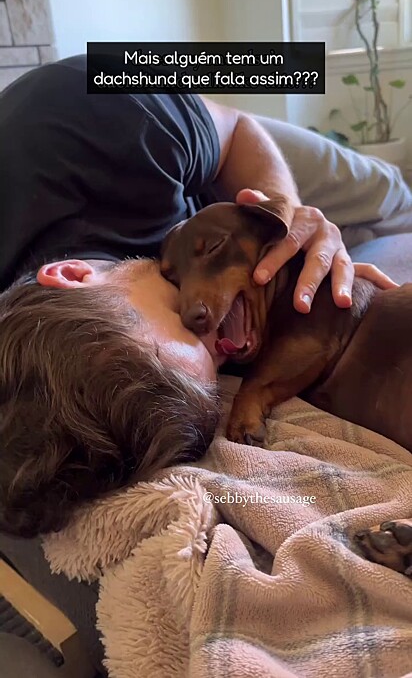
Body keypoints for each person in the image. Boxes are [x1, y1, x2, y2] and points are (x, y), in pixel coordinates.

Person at [0, 54, 407, 538]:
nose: (222, 341)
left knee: (386, 197)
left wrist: (288, 228)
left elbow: (235, 129)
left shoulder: (104, 115)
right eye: (219, 366)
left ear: (74, 273)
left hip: (215, 159)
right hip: (188, 229)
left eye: (185, 321)